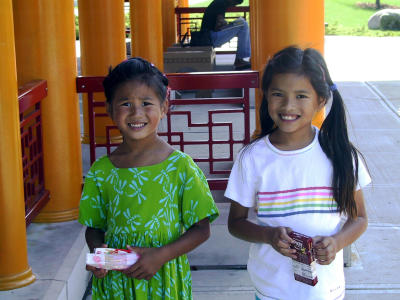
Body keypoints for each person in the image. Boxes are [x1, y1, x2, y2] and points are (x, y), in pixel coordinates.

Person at [225, 46, 371, 300]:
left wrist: (337, 242)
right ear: (266, 97)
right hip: (272, 289)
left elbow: (359, 218)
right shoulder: (252, 158)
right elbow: (235, 223)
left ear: (321, 101)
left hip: (326, 291)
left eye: (301, 95)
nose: (288, 105)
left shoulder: (341, 155)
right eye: (278, 94)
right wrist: (268, 235)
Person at [78, 57, 219, 300]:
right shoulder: (101, 171)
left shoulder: (180, 167)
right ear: (109, 109)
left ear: (164, 107)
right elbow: (94, 227)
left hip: (162, 276)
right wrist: (98, 253)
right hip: (116, 282)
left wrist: (160, 255)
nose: (136, 113)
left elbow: (201, 229)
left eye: (146, 103)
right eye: (125, 103)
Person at [200, 0, 251, 70]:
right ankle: (240, 59)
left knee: (241, 23)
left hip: (207, 37)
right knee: (243, 23)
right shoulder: (221, 3)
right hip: (211, 37)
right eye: (235, 3)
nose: (233, 6)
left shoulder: (218, 2)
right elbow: (219, 24)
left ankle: (240, 59)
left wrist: (230, 25)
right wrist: (229, 24)